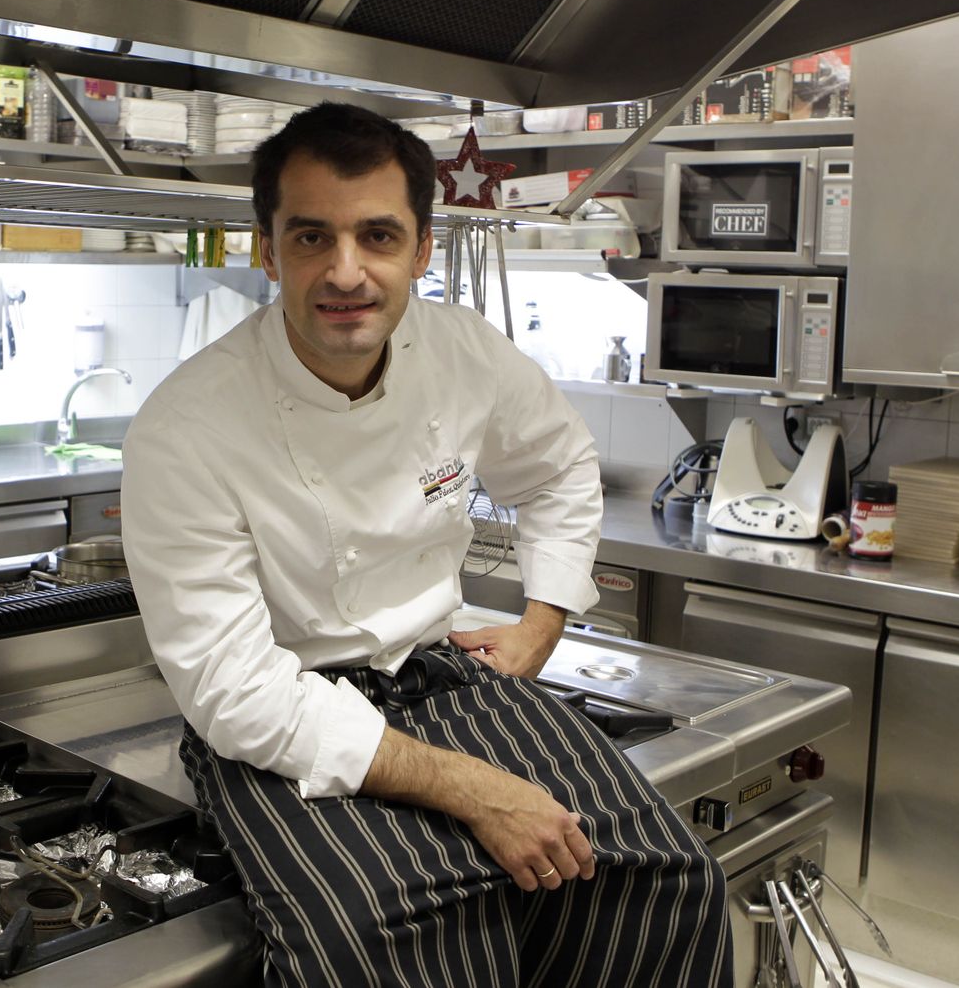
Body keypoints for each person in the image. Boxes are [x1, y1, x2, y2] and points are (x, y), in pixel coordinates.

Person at [122, 102, 733, 986]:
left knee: (660, 881)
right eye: (311, 237)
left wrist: (541, 624)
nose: (346, 273)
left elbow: (560, 466)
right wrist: (475, 790)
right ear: (267, 251)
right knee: (398, 949)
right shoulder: (185, 426)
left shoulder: (462, 352)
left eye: (377, 236)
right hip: (294, 719)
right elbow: (235, 690)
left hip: (445, 676)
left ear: (421, 251)